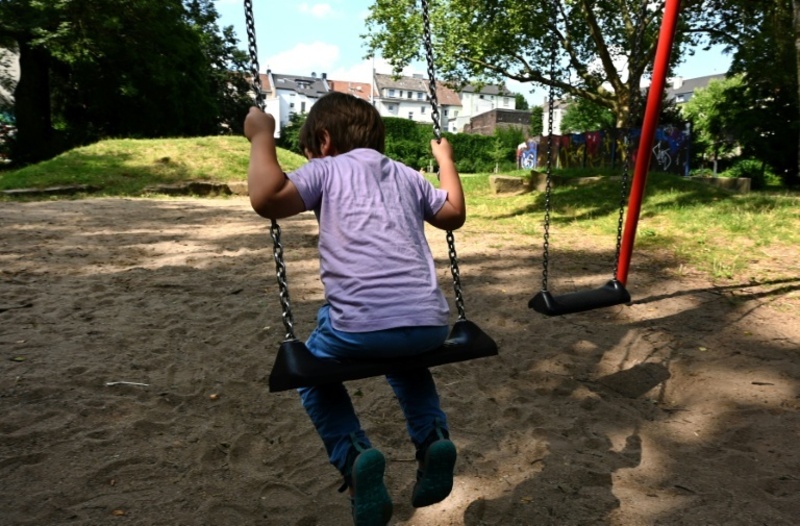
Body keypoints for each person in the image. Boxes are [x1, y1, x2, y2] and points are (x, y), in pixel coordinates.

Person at [244, 91, 465, 526]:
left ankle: (353, 454)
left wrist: (261, 136)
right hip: (429, 325)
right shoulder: (407, 175)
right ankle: (433, 438)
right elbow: (453, 213)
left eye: (309, 150)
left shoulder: (325, 169)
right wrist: (445, 161)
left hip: (359, 328)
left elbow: (267, 198)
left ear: (324, 141)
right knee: (407, 362)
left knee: (311, 372)